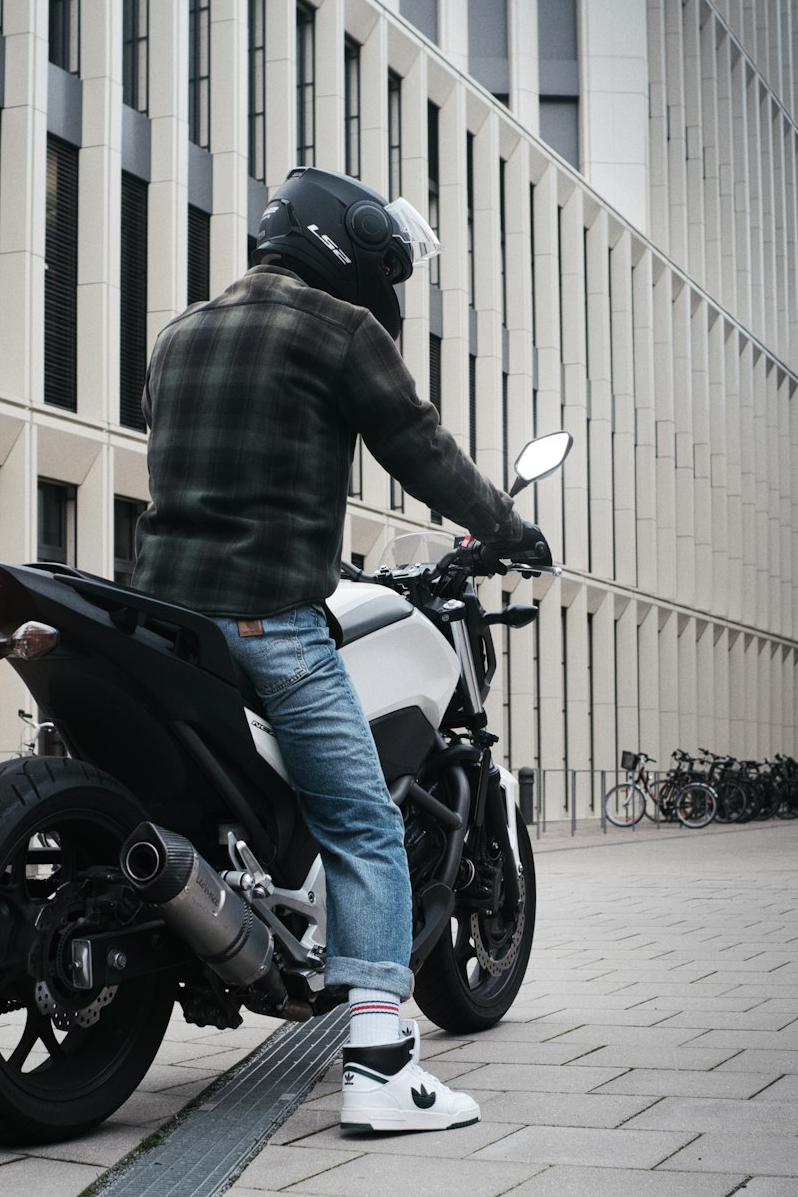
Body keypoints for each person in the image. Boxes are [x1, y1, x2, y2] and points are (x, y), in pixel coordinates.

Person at [133, 167, 549, 1132]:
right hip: (268, 619)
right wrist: (510, 531)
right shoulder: (338, 332)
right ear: (346, 244)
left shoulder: (180, 332)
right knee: (362, 826)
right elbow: (420, 445)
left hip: (162, 619)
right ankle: (380, 1065)